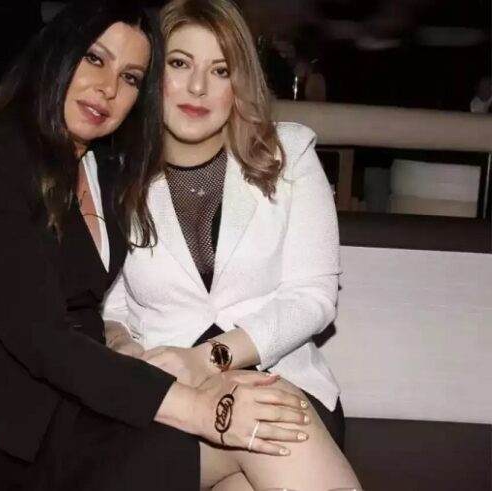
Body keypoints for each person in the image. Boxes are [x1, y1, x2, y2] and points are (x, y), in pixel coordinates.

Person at [0, 2, 312, 490]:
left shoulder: (108, 172)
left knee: (273, 431)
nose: (108, 88)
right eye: (95, 59)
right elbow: (42, 337)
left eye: (131, 77)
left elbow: (102, 309)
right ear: (57, 53)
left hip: (67, 428)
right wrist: (200, 408)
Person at [103, 0, 361, 489]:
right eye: (180, 64)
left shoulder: (288, 155)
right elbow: (106, 306)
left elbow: (312, 299)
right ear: (153, 74)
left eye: (220, 70)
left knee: (264, 412)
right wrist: (124, 348)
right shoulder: (115, 178)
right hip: (174, 408)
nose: (198, 87)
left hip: (280, 383)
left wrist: (207, 360)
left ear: (240, 84)